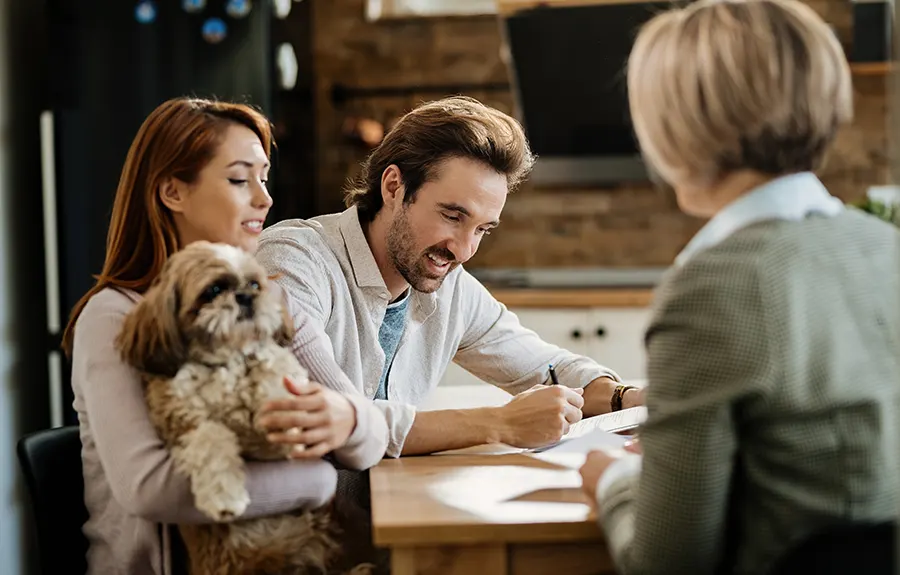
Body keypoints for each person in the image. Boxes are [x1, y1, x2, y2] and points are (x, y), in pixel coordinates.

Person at [576, 1, 900, 573]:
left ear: (675, 128)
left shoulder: (712, 288)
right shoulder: (883, 246)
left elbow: (668, 562)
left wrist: (618, 483)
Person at [62, 97, 388, 575]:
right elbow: (151, 489)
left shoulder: (270, 300)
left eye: (264, 177)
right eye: (240, 179)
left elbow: (369, 438)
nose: (264, 198)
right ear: (173, 191)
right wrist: (317, 480)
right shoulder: (115, 315)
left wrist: (346, 416)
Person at [254, 96, 643, 459]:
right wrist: (499, 423)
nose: (463, 250)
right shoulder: (296, 259)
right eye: (453, 216)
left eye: (482, 229)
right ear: (394, 186)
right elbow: (324, 419)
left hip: (393, 509)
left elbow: (545, 367)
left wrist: (626, 399)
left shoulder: (448, 286)